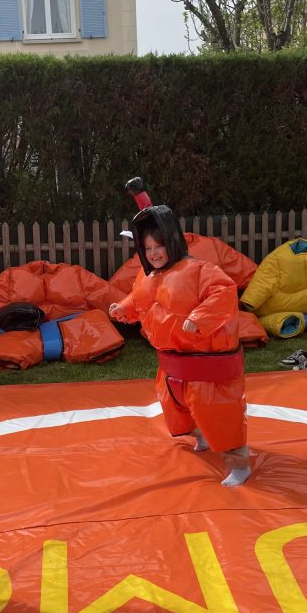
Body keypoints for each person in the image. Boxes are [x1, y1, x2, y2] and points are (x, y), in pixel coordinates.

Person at [109, 204, 251, 487]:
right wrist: (123, 309)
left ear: (172, 242)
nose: (154, 254)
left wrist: (200, 318)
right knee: (178, 406)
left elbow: (223, 292)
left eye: (159, 246)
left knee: (217, 411)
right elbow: (141, 300)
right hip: (173, 363)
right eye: (148, 249)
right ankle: (199, 436)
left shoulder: (199, 270)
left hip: (206, 362)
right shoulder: (147, 276)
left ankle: (239, 464)